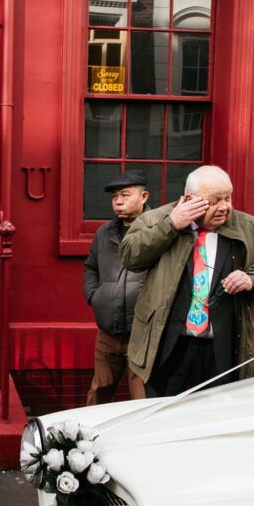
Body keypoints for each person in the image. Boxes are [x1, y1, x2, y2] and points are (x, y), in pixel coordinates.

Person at [120, 165, 254, 398]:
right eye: (214, 200)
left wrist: (252, 279)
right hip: (166, 343)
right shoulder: (158, 219)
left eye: (228, 198)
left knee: (214, 415)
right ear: (189, 199)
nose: (224, 207)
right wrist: (171, 225)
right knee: (161, 412)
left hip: (221, 347)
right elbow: (129, 256)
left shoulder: (251, 228)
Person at [83, 169, 150, 404]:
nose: (118, 201)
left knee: (140, 394)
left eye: (125, 195)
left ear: (144, 197)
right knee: (99, 390)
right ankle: (86, 439)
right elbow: (91, 266)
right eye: (114, 197)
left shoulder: (156, 230)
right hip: (108, 330)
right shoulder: (104, 232)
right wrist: (95, 296)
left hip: (142, 331)